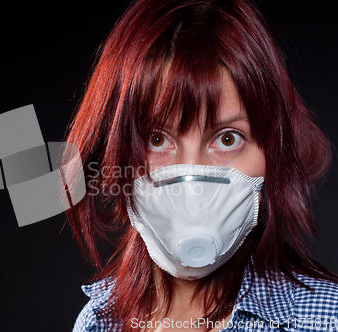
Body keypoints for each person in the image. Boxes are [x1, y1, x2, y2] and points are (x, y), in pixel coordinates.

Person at [65, 0, 338, 331]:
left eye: (227, 139)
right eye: (156, 139)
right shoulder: (98, 323)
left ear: (270, 151)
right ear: (116, 153)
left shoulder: (324, 320)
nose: (191, 178)